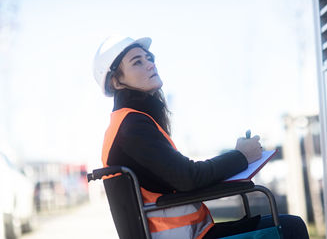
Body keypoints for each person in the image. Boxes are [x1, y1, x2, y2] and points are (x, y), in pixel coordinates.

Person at [93, 35, 309, 239]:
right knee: (291, 227)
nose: (150, 64)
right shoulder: (132, 126)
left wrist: (238, 159)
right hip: (188, 235)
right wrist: (241, 156)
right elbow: (189, 178)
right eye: (137, 62)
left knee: (288, 224)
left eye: (149, 58)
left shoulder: (129, 122)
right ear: (117, 81)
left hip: (192, 232)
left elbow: (183, 177)